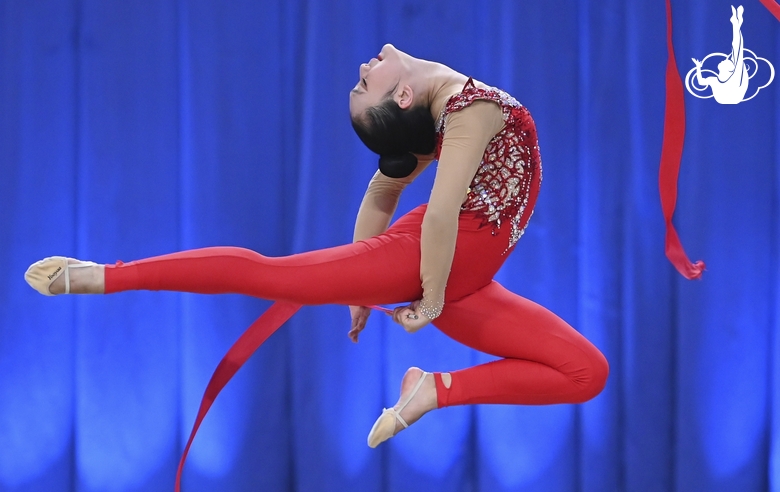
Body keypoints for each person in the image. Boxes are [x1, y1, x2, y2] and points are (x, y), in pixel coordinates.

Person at [25, 44, 608, 449]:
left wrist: (370, 287)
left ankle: (432, 389)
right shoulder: (467, 113)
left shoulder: (443, 110)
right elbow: (436, 216)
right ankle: (103, 275)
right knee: (269, 275)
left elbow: (384, 194)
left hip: (460, 283)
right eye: (365, 82)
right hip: (429, 266)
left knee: (587, 373)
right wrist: (407, 291)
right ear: (403, 95)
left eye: (360, 82)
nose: (362, 67)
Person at [692, 5, 748, 104]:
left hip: (733, 96)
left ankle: (736, 23)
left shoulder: (734, 77)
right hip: (727, 97)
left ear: (729, 69)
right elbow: (701, 82)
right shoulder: (714, 80)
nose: (725, 59)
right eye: (728, 60)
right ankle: (736, 23)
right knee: (737, 52)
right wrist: (698, 67)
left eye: (728, 61)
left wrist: (736, 26)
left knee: (737, 51)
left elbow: (737, 48)